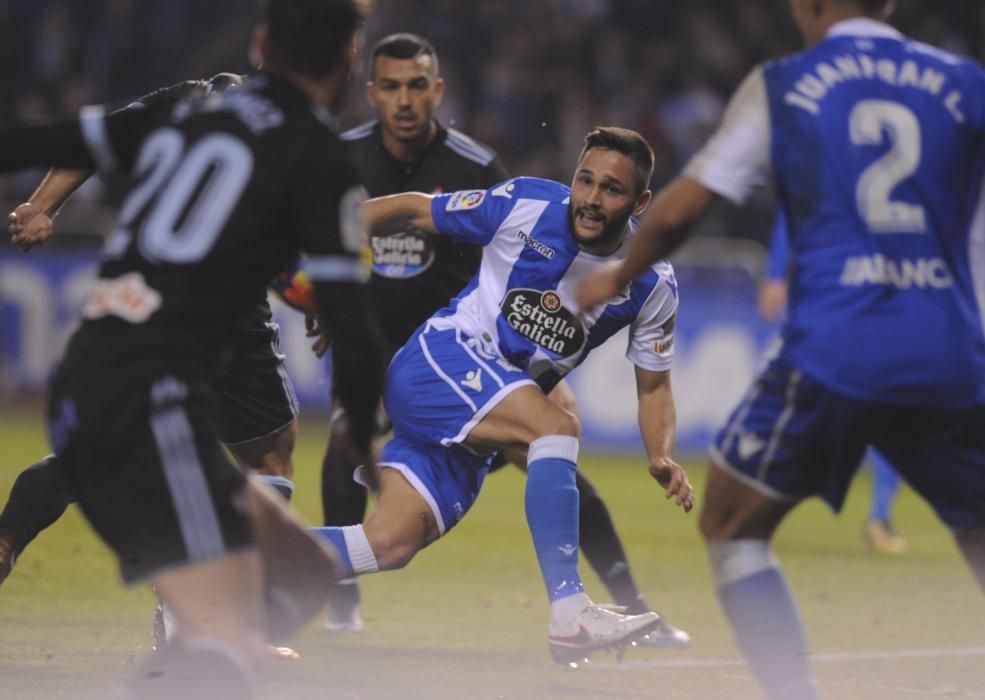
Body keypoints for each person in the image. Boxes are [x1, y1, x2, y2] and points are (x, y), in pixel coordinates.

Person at [577, 1, 985, 697]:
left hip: (835, 350)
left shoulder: (786, 82)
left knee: (731, 523)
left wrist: (617, 273)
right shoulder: (965, 81)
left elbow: (681, 205)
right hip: (946, 351)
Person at [0, 0, 384, 697]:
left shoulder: (191, 103)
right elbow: (352, 334)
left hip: (108, 348)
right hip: (157, 372)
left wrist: (40, 204)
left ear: (262, 43)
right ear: (349, 60)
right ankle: (195, 648)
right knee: (224, 629)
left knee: (298, 568)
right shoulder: (317, 155)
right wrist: (363, 431)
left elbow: (71, 139)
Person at [320, 32, 689, 648]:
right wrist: (326, 235)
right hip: (441, 359)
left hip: (477, 420)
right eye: (586, 180)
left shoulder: (652, 285)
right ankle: (570, 613)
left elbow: (653, 385)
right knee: (556, 429)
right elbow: (416, 207)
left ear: (640, 201)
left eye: (612, 189)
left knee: (386, 544)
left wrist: (661, 453)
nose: (592, 200)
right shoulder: (523, 202)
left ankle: (219, 568)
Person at [0, 75, 306, 601]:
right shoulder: (286, 128)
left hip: (138, 297)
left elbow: (93, 140)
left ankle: (5, 537)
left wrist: (41, 205)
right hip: (225, 313)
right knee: (268, 459)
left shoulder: (184, 100)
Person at [760, 210, 907, 555]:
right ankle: (758, 509)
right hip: (829, 303)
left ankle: (879, 518)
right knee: (804, 413)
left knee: (892, 415)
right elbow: (793, 209)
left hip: (883, 304)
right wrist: (776, 274)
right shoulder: (838, 166)